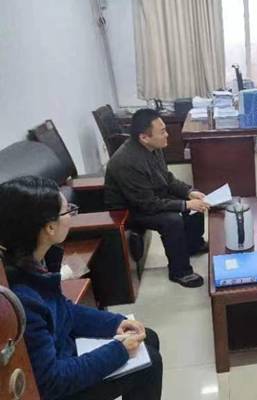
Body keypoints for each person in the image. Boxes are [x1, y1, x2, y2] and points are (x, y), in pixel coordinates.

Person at [0, 176, 163, 400]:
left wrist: (114, 323)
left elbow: (63, 310)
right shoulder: (21, 298)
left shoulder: (34, 261)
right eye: (68, 211)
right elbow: (52, 382)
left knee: (147, 338)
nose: (72, 216)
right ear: (49, 227)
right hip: (56, 385)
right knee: (149, 363)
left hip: (61, 351)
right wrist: (119, 351)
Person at [105, 109, 209, 288]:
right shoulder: (127, 162)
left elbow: (166, 178)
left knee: (194, 202)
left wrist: (188, 193)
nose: (167, 135)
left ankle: (193, 244)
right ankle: (180, 272)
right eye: (162, 132)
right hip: (128, 209)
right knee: (172, 220)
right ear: (144, 137)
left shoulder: (153, 147)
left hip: (148, 195)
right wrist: (185, 204)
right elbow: (147, 205)